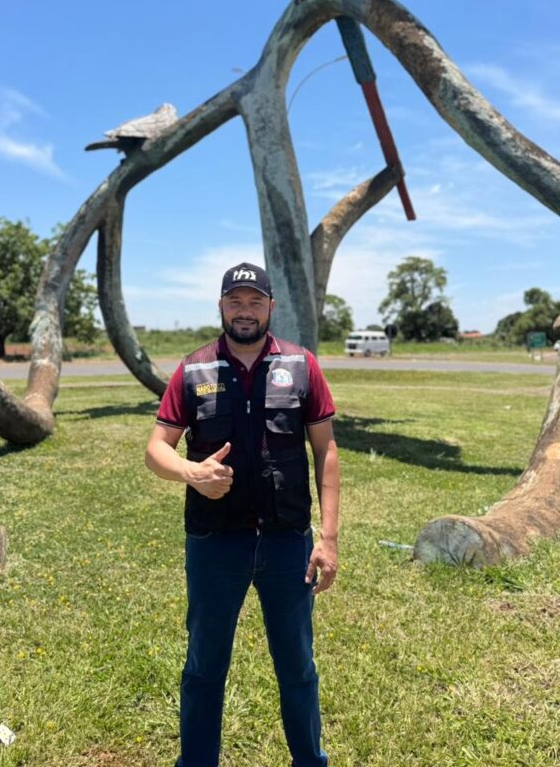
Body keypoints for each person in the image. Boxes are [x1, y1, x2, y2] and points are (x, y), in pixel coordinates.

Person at [145, 261, 340, 767]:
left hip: (287, 543)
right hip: (215, 544)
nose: (246, 311)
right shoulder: (193, 370)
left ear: (271, 306)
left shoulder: (302, 366)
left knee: (298, 667)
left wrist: (330, 538)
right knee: (204, 669)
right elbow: (156, 450)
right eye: (236, 301)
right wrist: (191, 473)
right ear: (221, 307)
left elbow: (326, 452)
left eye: (256, 301)